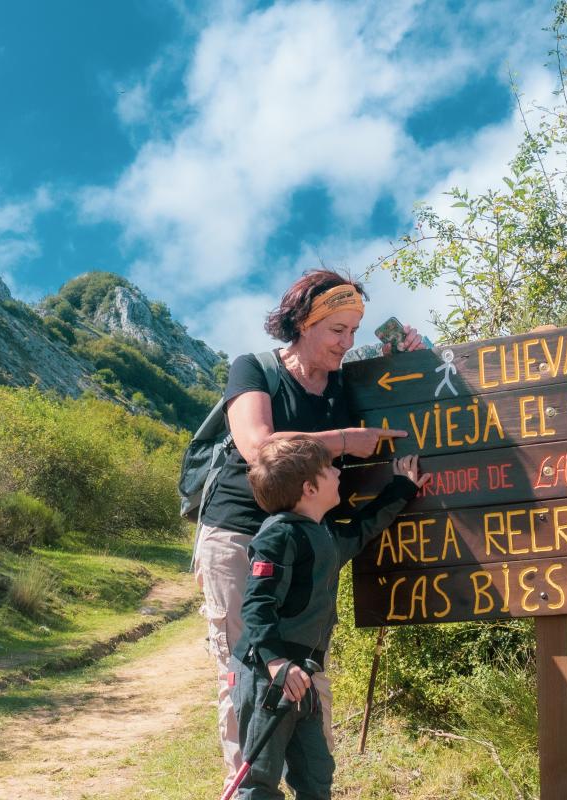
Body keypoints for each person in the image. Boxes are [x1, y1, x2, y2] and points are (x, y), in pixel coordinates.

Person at [193, 269, 425, 774]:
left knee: (306, 663)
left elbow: (401, 399)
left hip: (309, 540)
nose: (347, 343)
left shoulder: (346, 383)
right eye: (337, 330)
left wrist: (409, 360)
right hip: (238, 532)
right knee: (247, 667)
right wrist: (341, 441)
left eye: (355, 332)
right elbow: (257, 447)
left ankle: (312, 782)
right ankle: (249, 783)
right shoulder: (252, 369)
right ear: (303, 322)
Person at [231, 437, 428, 799]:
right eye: (329, 469)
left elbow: (363, 529)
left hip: (303, 676)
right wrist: (275, 662)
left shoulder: (325, 533)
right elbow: (257, 603)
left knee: (316, 773)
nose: (339, 472)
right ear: (309, 488)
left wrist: (402, 486)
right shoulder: (277, 534)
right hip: (267, 679)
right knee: (259, 780)